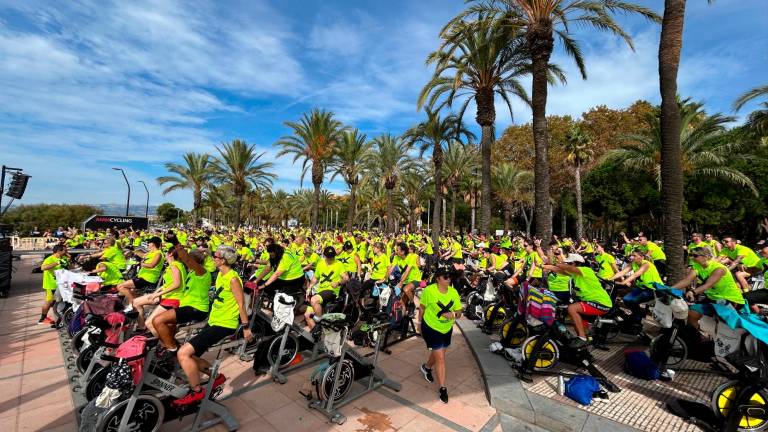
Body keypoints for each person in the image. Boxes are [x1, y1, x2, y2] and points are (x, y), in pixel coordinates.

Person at [174, 245, 252, 407]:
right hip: (214, 321)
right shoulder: (220, 275)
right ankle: (216, 377)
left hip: (224, 324)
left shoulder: (232, 278)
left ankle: (196, 392)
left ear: (223, 260)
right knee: (191, 356)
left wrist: (245, 328)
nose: (213, 258)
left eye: (215, 256)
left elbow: (241, 304)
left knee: (183, 353)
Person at [153, 233, 212, 354]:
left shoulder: (202, 272)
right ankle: (173, 346)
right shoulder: (191, 272)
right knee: (167, 327)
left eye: (186, 258)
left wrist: (175, 243)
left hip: (197, 308)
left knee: (157, 321)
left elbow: (187, 259)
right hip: (187, 305)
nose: (181, 259)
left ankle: (172, 350)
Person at [547, 254, 612, 348]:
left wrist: (556, 262)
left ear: (576, 263)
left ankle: (582, 338)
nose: (568, 265)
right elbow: (557, 270)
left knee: (572, 308)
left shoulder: (586, 270)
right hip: (590, 302)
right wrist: (541, 265)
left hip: (601, 302)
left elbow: (563, 267)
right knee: (576, 320)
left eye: (570, 263)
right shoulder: (575, 274)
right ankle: (583, 341)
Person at [418, 267, 462, 404]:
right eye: (445, 277)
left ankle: (426, 368)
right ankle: (443, 389)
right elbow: (422, 308)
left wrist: (453, 315)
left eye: (450, 277)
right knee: (441, 359)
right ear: (437, 278)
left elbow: (459, 312)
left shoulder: (454, 292)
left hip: (446, 328)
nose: (448, 279)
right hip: (431, 326)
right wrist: (419, 323)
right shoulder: (429, 290)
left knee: (439, 354)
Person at [671, 247, 745, 328]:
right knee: (692, 312)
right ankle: (697, 337)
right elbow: (687, 280)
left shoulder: (719, 268)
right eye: (691, 255)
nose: (692, 258)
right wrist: (669, 289)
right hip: (714, 299)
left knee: (722, 326)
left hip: (730, 300)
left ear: (705, 257)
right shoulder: (697, 266)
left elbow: (708, 285)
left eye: (695, 256)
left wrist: (693, 292)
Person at [132, 248, 186, 333]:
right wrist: (155, 293)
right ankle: (142, 327)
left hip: (173, 297)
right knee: (136, 302)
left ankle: (167, 343)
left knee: (150, 323)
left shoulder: (174, 266)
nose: (164, 254)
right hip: (167, 294)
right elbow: (168, 283)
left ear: (170, 254)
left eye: (166, 252)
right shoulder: (175, 265)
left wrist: (157, 294)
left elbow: (176, 284)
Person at [611, 249, 663, 336]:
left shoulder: (646, 264)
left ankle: (638, 317)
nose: (632, 257)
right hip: (641, 288)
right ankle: (637, 314)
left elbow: (635, 274)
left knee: (634, 301)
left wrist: (622, 283)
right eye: (632, 255)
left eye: (634, 255)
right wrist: (609, 279)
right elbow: (621, 273)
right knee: (626, 299)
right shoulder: (633, 264)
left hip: (653, 289)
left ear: (641, 257)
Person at [305, 246, 349, 329]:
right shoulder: (320, 263)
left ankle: (321, 322)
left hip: (331, 291)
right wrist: (309, 287)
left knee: (314, 300)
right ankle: (317, 333)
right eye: (329, 257)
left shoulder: (339, 264)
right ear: (324, 256)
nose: (331, 259)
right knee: (307, 315)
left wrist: (338, 282)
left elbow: (346, 278)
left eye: (332, 257)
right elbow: (315, 278)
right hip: (320, 291)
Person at [117, 237, 164, 310]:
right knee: (130, 290)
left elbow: (152, 265)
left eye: (149, 243)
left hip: (148, 278)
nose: (148, 245)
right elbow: (142, 255)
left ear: (153, 244)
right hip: (142, 276)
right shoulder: (151, 253)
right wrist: (132, 251)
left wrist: (139, 263)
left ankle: (132, 305)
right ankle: (138, 306)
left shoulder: (158, 254)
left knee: (120, 286)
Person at [39, 244, 67, 325]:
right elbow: (43, 268)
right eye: (65, 250)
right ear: (58, 251)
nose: (66, 251)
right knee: (49, 301)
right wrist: (56, 263)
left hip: (61, 284)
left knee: (58, 301)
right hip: (51, 284)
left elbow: (68, 268)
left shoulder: (64, 258)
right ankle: (42, 319)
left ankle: (60, 318)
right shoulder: (50, 259)